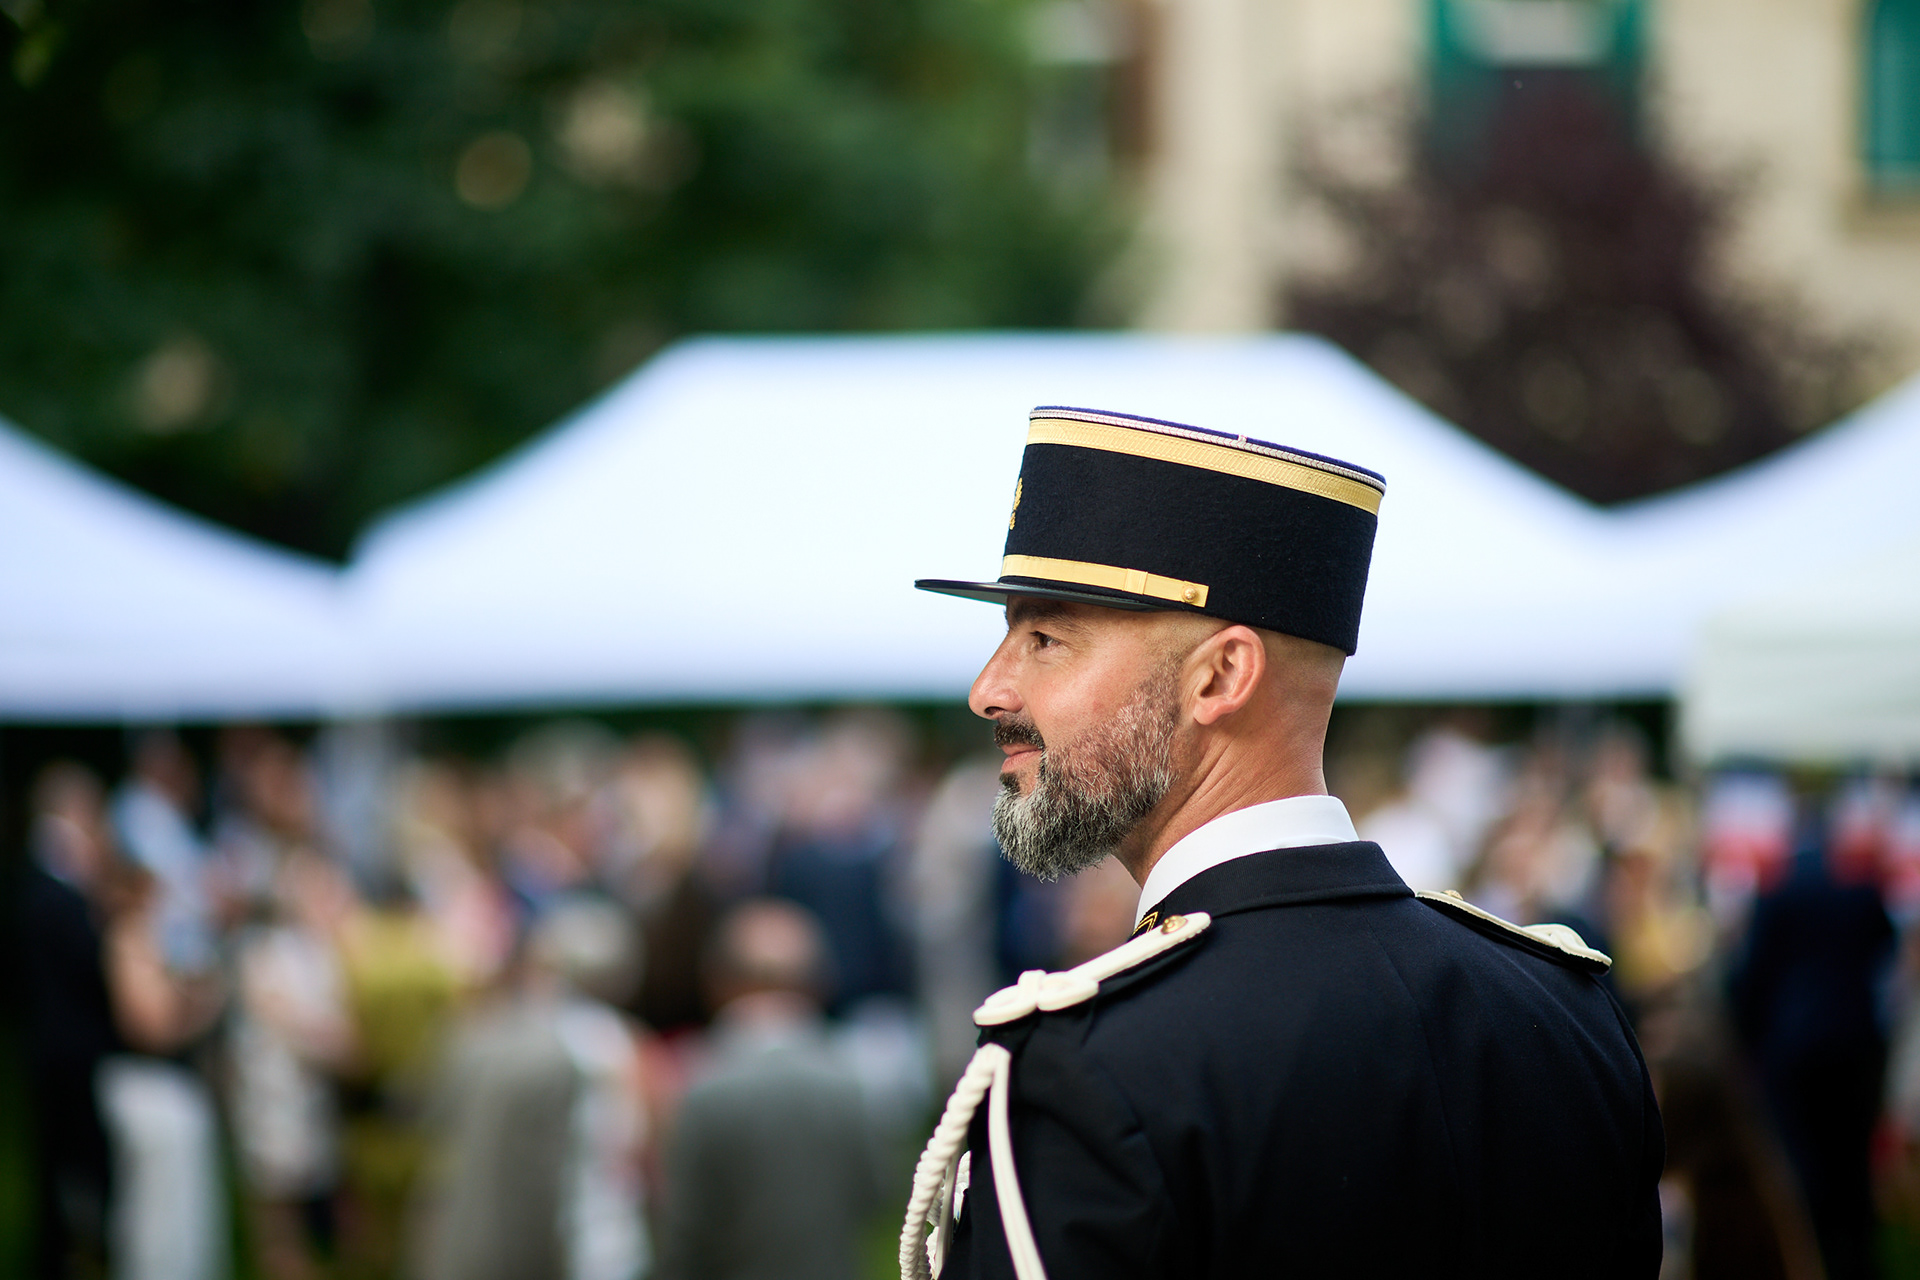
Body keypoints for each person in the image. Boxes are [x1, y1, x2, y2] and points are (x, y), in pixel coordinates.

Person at [903, 405, 1664, 1278]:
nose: (988, 690)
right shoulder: (1563, 1012)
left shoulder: (1096, 1067)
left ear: (1222, 676)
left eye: (1045, 638)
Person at [656, 899, 883, 1280]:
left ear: (719, 983)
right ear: (816, 984)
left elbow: (685, 1227)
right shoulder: (851, 1079)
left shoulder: (700, 1084)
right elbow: (876, 1192)